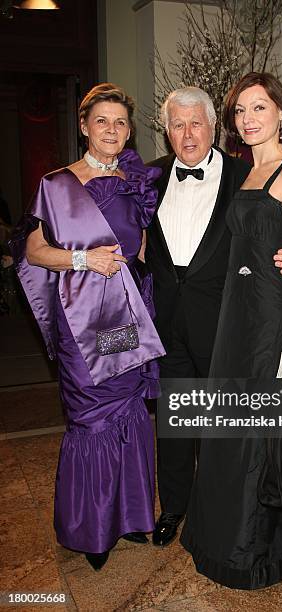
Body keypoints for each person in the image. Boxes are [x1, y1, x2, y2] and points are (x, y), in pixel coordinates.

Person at [180, 73, 282, 589]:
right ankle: (220, 532)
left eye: (259, 108)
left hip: (273, 316)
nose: (248, 119)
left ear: (281, 113)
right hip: (238, 313)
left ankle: (260, 545)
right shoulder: (247, 173)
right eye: (240, 112)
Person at [9, 83, 165, 571]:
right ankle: (92, 529)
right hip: (83, 322)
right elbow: (33, 252)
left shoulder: (135, 180)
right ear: (83, 127)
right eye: (102, 121)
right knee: (91, 417)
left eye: (120, 122)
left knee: (127, 413)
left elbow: (140, 249)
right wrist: (81, 258)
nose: (112, 130)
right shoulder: (56, 185)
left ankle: (127, 518)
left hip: (126, 317)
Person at [145, 86, 282, 547]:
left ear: (214, 126)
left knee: (224, 426)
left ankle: (220, 511)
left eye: (196, 123)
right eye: (177, 124)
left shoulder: (244, 175)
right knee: (173, 423)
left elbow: (271, 228)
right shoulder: (146, 179)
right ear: (166, 130)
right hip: (166, 321)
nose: (187, 134)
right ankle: (173, 507)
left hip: (226, 322)